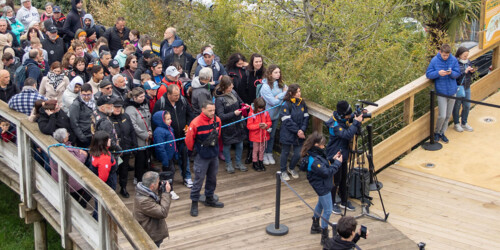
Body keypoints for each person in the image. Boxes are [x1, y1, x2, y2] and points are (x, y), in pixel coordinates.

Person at [301, 132, 342, 245]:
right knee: (328, 210)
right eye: (322, 145)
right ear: (316, 145)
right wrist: (338, 164)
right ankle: (324, 237)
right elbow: (326, 172)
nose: (324, 146)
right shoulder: (313, 159)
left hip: (322, 184)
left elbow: (323, 163)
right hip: (321, 185)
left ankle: (315, 225)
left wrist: (333, 160)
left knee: (320, 204)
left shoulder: (315, 154)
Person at [152, 84, 194, 188]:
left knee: (185, 158)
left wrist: (188, 126)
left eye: (179, 94)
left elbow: (190, 114)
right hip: (169, 138)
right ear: (168, 94)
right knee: (169, 161)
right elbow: (155, 120)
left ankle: (187, 177)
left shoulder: (183, 101)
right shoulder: (160, 103)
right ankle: (168, 183)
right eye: (175, 95)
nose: (178, 97)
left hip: (182, 136)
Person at [186, 101, 223, 217]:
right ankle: (194, 202)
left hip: (213, 154)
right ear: (203, 110)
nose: (213, 113)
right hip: (201, 155)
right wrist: (193, 152)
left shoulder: (217, 120)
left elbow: (219, 134)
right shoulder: (195, 123)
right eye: (210, 110)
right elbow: (189, 140)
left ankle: (209, 197)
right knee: (198, 179)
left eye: (214, 110)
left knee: (212, 178)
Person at [325, 100, 363, 214]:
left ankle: (343, 200)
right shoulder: (334, 124)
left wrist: (357, 115)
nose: (348, 117)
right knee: (334, 181)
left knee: (343, 179)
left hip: (344, 154)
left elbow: (349, 117)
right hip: (334, 155)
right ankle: (331, 203)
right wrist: (356, 122)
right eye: (347, 115)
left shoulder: (341, 117)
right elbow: (347, 135)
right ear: (342, 114)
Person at [426, 44, 460, 143]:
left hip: (452, 91)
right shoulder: (434, 60)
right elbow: (428, 74)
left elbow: (457, 73)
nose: (446, 57)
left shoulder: (453, 60)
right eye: (444, 55)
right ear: (440, 52)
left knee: (448, 115)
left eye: (447, 55)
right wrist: (438, 73)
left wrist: (451, 73)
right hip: (441, 92)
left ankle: (442, 132)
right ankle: (436, 132)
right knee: (442, 115)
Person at [50, 128, 91, 208]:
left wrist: (79, 152)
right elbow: (77, 163)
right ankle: (79, 207)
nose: (68, 134)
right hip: (72, 182)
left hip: (62, 178)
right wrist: (83, 155)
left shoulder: (56, 146)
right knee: (89, 190)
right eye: (67, 134)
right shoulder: (65, 151)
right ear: (65, 139)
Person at [215, 75, 248, 173]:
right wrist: (234, 113)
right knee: (227, 146)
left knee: (240, 144)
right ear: (224, 87)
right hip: (227, 127)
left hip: (238, 124)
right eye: (229, 86)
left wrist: (244, 106)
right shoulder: (219, 100)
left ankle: (238, 163)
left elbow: (241, 102)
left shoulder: (234, 92)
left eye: (232, 85)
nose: (232, 87)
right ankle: (228, 164)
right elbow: (220, 116)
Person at [133, 171, 171, 247]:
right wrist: (166, 193)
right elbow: (162, 212)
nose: (159, 183)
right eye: (158, 182)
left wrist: (161, 191)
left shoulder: (144, 192)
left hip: (149, 232)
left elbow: (156, 205)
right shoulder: (144, 201)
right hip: (150, 236)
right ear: (152, 186)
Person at [279, 84, 309, 180]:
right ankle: (283, 171)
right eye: (297, 92)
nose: (299, 93)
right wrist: (298, 131)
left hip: (299, 132)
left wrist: (302, 130)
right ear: (291, 93)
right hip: (288, 132)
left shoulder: (302, 103)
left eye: (300, 91)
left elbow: (306, 117)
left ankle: (291, 168)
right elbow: (286, 120)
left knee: (298, 153)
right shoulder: (286, 104)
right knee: (285, 152)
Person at [260, 64, 287, 165]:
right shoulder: (265, 87)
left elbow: (287, 93)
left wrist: (279, 96)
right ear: (270, 74)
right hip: (266, 116)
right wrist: (281, 95)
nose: (278, 74)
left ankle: (269, 152)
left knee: (272, 135)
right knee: (264, 135)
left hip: (276, 115)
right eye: (276, 72)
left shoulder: (281, 84)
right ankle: (262, 154)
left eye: (279, 72)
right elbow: (272, 102)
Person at [110, 99, 136, 198]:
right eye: (115, 107)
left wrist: (134, 145)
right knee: (113, 170)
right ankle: (112, 189)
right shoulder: (109, 119)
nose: (117, 109)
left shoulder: (126, 116)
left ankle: (123, 187)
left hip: (125, 147)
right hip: (114, 150)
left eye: (119, 107)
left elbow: (132, 131)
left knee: (124, 169)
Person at [125, 87, 152, 184]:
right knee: (140, 159)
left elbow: (148, 120)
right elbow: (133, 125)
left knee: (146, 158)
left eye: (144, 96)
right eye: (140, 97)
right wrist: (145, 134)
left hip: (147, 137)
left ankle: (145, 177)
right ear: (134, 98)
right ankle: (138, 178)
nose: (143, 98)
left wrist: (150, 131)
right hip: (138, 139)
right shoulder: (130, 109)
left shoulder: (145, 105)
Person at [89, 130, 117, 219]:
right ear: (103, 142)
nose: (110, 140)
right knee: (104, 205)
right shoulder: (104, 158)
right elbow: (103, 179)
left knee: (98, 204)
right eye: (108, 139)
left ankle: (96, 217)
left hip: (97, 180)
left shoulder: (95, 152)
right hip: (107, 184)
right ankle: (99, 221)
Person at [152, 110, 180, 200]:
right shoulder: (159, 132)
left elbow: (173, 142)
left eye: (170, 118)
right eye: (168, 119)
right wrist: (164, 159)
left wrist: (175, 152)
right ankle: (169, 190)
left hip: (170, 155)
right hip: (166, 157)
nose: (170, 121)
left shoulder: (169, 128)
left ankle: (165, 188)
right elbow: (160, 147)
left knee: (171, 172)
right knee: (168, 173)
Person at [453, 46, 475, 133]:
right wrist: (464, 72)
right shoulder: (455, 63)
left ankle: (464, 123)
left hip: (467, 86)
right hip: (459, 87)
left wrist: (471, 71)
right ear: (459, 55)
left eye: (467, 56)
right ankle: (456, 123)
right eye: (464, 56)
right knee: (457, 106)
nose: (466, 57)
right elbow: (455, 76)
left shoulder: (468, 62)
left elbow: (469, 75)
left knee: (467, 105)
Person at [247, 97, 271, 171]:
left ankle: (261, 161)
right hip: (255, 136)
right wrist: (258, 126)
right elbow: (249, 126)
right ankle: (255, 162)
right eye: (259, 108)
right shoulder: (251, 114)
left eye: (262, 108)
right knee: (255, 150)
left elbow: (269, 122)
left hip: (263, 135)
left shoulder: (265, 112)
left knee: (262, 149)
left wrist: (266, 125)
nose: (261, 110)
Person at [69, 83, 94, 147]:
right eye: (84, 95)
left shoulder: (95, 101)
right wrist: (82, 138)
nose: (86, 97)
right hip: (84, 136)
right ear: (80, 94)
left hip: (94, 135)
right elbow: (74, 123)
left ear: (92, 93)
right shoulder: (76, 105)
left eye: (88, 95)